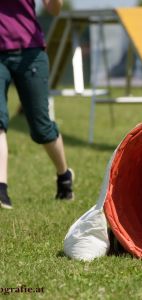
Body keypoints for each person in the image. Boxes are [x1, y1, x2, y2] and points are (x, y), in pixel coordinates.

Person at [0, 0, 74, 209]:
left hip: (30, 53)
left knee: (42, 129)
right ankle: (1, 189)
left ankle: (64, 175)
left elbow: (54, 9)